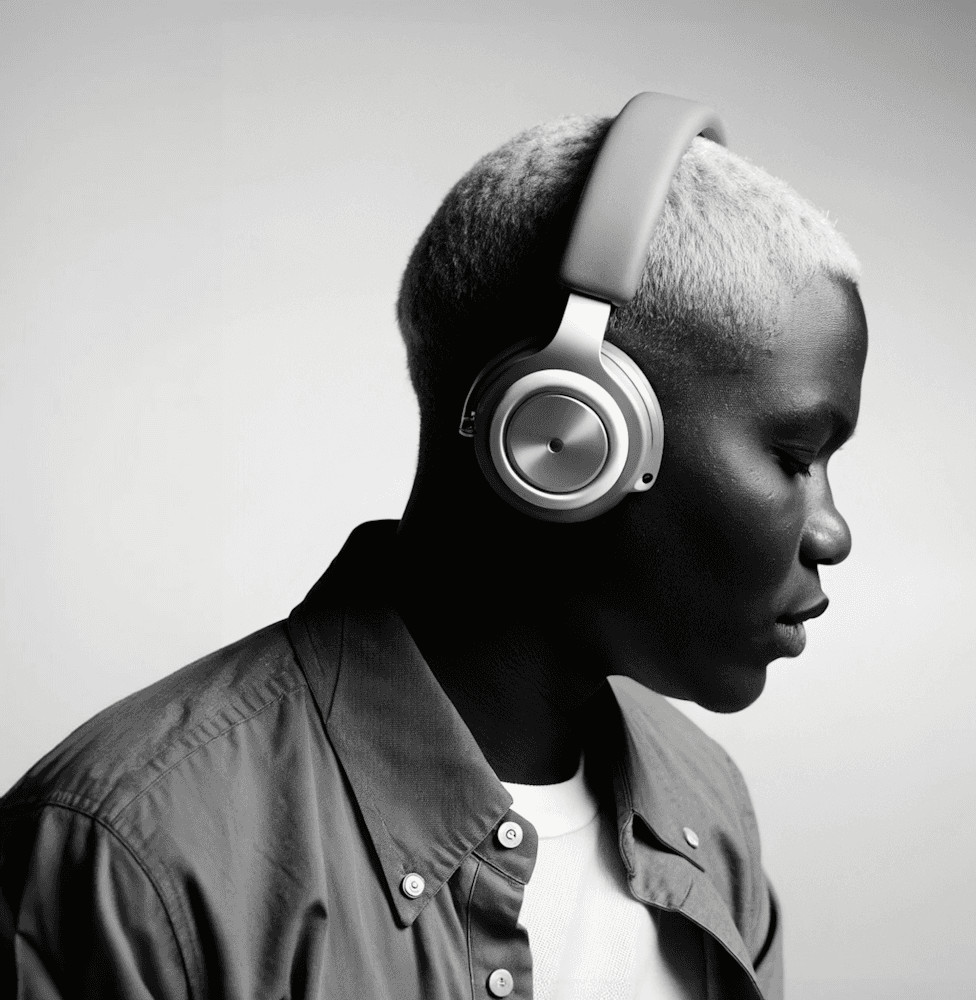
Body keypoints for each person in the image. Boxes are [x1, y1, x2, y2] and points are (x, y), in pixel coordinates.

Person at [0, 94, 867, 1000]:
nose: (832, 531)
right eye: (796, 456)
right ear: (567, 435)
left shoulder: (704, 804)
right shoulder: (128, 859)